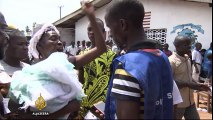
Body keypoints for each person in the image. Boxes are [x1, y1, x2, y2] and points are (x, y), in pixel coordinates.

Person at [8, 1, 107, 119]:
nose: (59, 42)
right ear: (39, 45)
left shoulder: (66, 63)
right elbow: (20, 113)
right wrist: (55, 113)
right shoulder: (27, 73)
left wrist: (91, 16)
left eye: (59, 39)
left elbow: (101, 49)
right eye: (53, 38)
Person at [104, 0, 182, 119]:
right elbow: (170, 102)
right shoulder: (161, 57)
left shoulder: (127, 66)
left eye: (110, 28)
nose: (111, 35)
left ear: (123, 25)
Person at [78, 18, 116, 118]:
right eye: (89, 29)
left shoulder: (112, 56)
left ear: (103, 32)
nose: (91, 32)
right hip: (85, 102)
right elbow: (80, 80)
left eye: (94, 29)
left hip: (102, 104)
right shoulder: (82, 55)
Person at [169, 35, 210, 119]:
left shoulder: (187, 58)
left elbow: (189, 77)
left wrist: (198, 84)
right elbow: (169, 83)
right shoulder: (171, 61)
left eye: (189, 44)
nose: (189, 46)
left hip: (190, 102)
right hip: (177, 104)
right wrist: (188, 84)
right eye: (186, 44)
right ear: (177, 46)